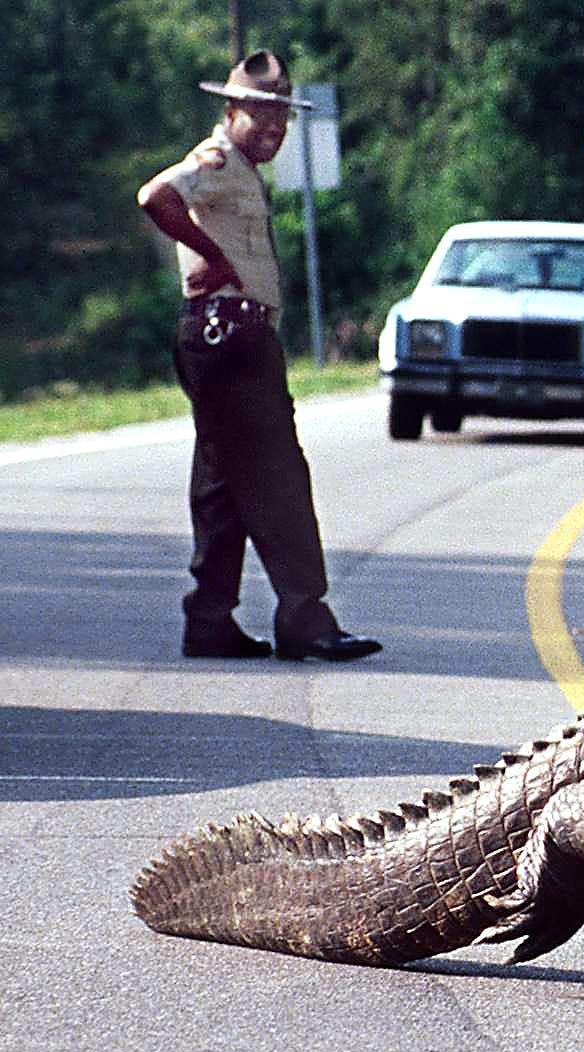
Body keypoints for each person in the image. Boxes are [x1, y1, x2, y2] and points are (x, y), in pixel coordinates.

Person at [137, 51, 380, 662]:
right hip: (229, 338)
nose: (273, 131)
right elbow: (156, 196)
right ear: (231, 110)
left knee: (223, 484)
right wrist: (212, 257)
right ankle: (306, 616)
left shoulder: (243, 169)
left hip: (230, 338)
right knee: (277, 474)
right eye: (262, 118)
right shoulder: (216, 161)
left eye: (282, 121)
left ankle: (209, 618)